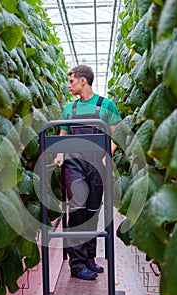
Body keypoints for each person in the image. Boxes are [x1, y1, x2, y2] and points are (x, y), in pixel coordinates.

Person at [54, 65, 121, 280]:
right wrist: (59, 155)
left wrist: (107, 154)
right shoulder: (69, 109)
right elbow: (63, 134)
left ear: (83, 81)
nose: (69, 85)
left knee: (92, 210)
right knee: (77, 209)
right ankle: (76, 265)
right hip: (74, 163)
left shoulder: (106, 105)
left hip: (96, 164)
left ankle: (89, 259)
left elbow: (116, 135)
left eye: (72, 81)